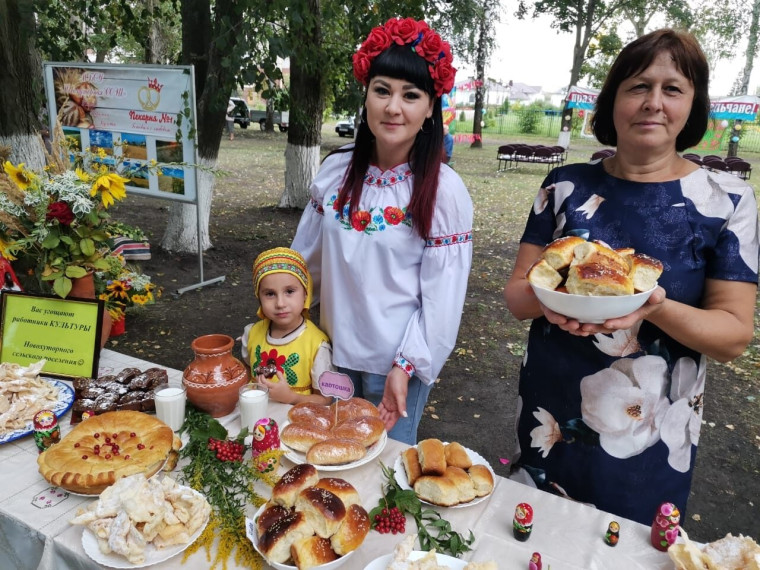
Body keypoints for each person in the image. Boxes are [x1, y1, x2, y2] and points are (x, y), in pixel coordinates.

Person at [503, 29, 759, 525]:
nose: (654, 103)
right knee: (536, 536)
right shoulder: (564, 187)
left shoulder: (724, 201)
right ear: (613, 100)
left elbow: (733, 334)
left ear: (693, 106)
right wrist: (551, 302)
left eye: (673, 89)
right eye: (639, 86)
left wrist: (654, 306)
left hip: (649, 433)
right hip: (553, 413)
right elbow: (518, 294)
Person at [291, 17, 473, 444]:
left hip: (396, 370)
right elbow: (303, 266)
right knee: (327, 462)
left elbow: (442, 299)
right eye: (382, 90)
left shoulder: (443, 192)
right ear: (366, 96)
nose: (394, 107)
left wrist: (406, 367)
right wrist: (283, 328)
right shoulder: (336, 171)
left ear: (431, 107)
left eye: (411, 95)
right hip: (330, 359)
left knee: (382, 473)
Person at [241, 247, 333, 406]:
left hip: (294, 425)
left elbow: (325, 400)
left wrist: (292, 397)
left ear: (305, 293)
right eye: (270, 294)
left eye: (289, 291)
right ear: (259, 297)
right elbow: (247, 375)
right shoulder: (252, 333)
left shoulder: (317, 346)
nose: (280, 303)